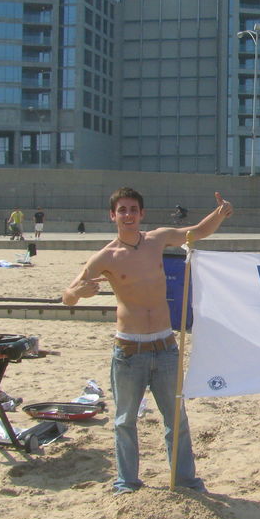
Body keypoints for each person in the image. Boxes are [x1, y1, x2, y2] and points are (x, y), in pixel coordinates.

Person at [62, 187, 233, 495]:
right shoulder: (105, 256)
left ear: (141, 214)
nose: (128, 215)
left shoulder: (157, 240)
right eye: (122, 210)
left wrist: (220, 214)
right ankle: (126, 482)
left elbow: (196, 232)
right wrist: (79, 293)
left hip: (165, 346)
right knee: (125, 420)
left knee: (176, 419)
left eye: (133, 209)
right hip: (129, 351)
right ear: (113, 215)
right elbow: (68, 296)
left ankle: (185, 481)